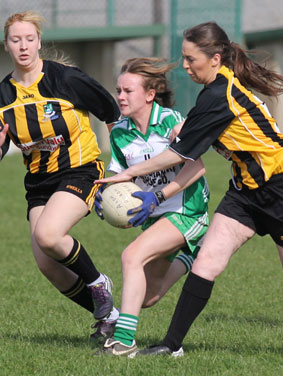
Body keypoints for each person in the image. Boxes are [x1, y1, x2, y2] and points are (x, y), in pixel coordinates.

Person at [96, 21, 283, 357]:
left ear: (215, 58)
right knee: (206, 261)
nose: (185, 66)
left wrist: (127, 175)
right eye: (183, 58)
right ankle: (171, 345)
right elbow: (187, 143)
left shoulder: (219, 95)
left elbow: (179, 154)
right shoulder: (212, 92)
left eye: (191, 58)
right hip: (244, 191)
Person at [0, 11, 121, 342]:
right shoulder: (1, 97)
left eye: (30, 39)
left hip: (80, 169)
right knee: (47, 263)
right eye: (16, 40)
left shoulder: (65, 79)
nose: (24, 46)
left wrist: (120, 165)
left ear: (39, 42)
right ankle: (111, 316)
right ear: (6, 45)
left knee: (48, 234)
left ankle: (100, 283)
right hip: (39, 183)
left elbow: (111, 112)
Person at [94, 57, 209, 357]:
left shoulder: (172, 121)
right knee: (146, 297)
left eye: (127, 91)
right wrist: (104, 196)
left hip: (187, 210)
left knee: (131, 256)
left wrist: (158, 197)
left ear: (149, 95)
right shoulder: (119, 132)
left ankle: (123, 342)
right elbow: (119, 177)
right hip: (155, 217)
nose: (120, 96)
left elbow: (197, 169)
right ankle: (190, 257)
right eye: (118, 90)